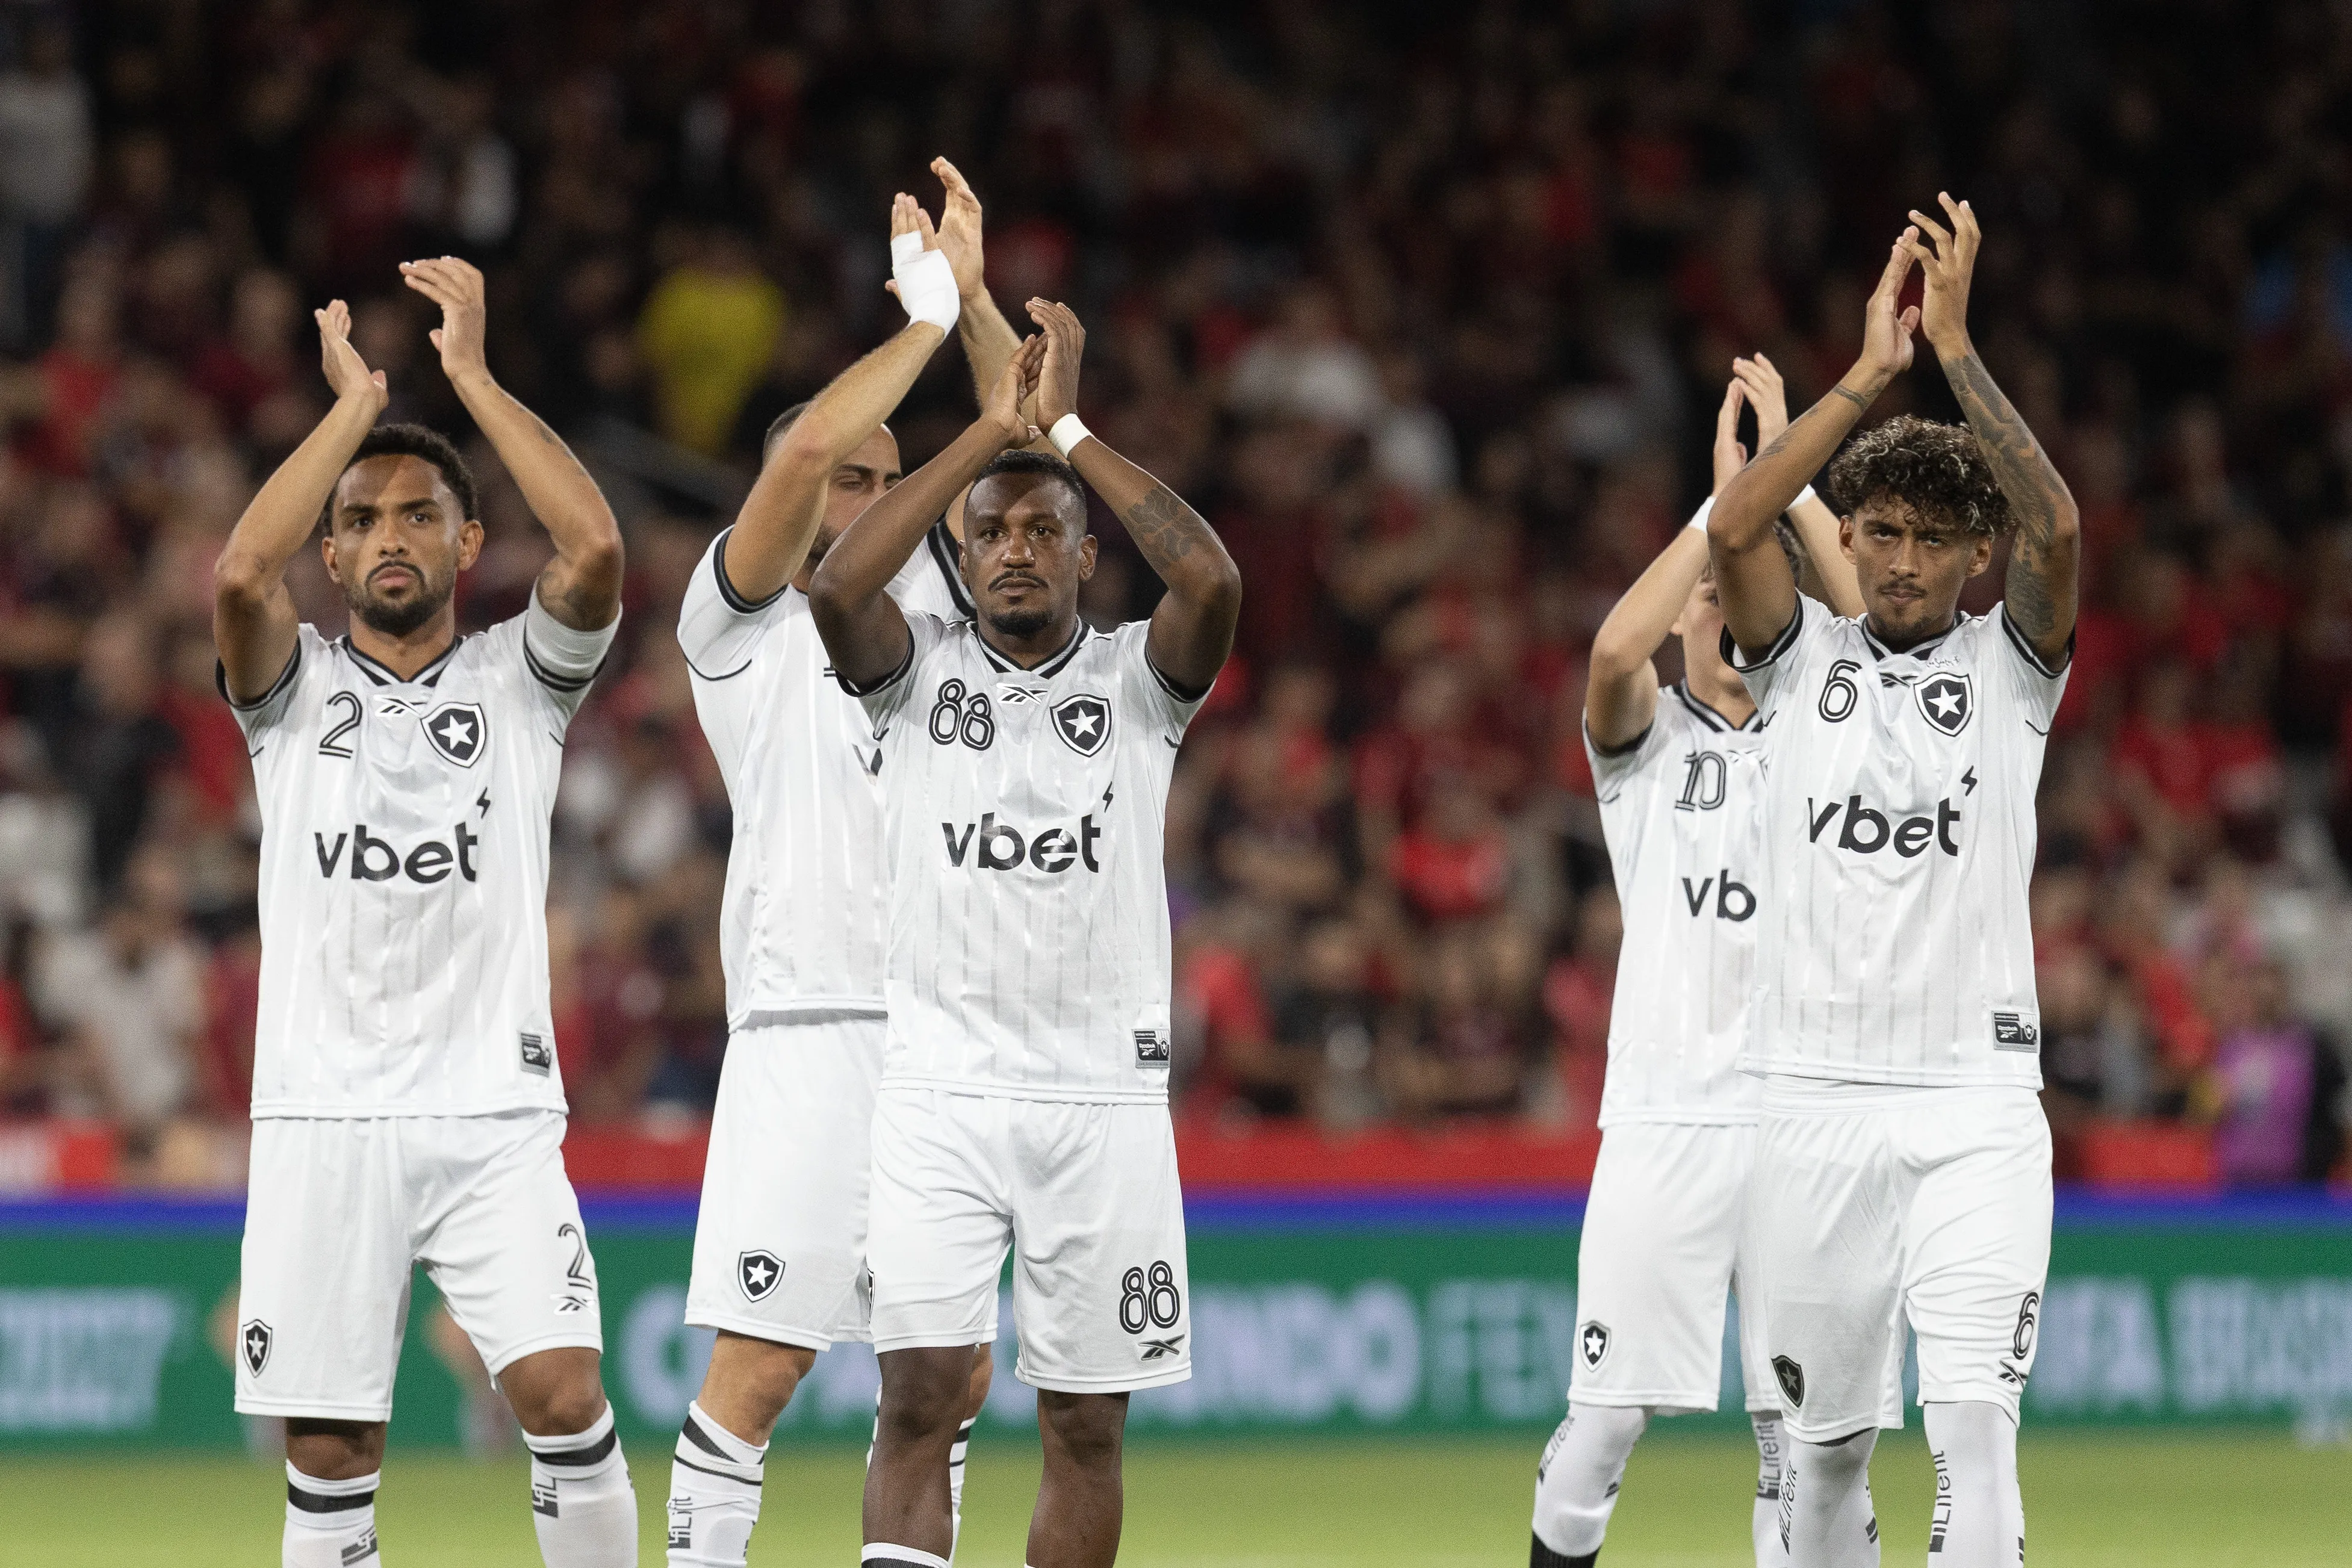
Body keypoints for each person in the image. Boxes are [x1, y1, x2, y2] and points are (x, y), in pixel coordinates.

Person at [213, 260, 633, 1568]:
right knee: (332, 1456)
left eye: (421, 515)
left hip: (491, 1113)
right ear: (330, 554)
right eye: (364, 520)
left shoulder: (523, 683)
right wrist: (352, 415)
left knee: (564, 1397)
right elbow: (237, 576)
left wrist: (474, 382)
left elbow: (601, 550)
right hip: (323, 1112)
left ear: (467, 546)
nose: (392, 534)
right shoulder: (290, 694)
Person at [809, 299, 1240, 1568]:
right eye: (987, 531)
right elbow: (838, 583)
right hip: (940, 1092)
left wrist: (1064, 431)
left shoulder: (1139, 686)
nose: (1012, 549)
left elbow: (1211, 578)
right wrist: (987, 437)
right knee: (919, 1399)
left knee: (1085, 1425)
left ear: (1084, 555)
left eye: (1041, 530)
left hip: (1104, 1101)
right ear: (959, 548)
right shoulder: (914, 673)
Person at [664, 160, 1029, 1568]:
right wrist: (928, 323)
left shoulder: (945, 612)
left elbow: (1035, 450)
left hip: (953, 1039)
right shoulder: (736, 617)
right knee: (760, 1372)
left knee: (945, 1386)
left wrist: (983, 301)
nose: (874, 494)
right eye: (854, 473)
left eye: (896, 478)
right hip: (810, 1031)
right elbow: (814, 452)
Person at [1707, 196, 2079, 1568]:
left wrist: (1959, 350)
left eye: (1934, 538)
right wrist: (1865, 376)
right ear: (1850, 542)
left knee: (1974, 1421)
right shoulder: (1799, 663)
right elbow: (1738, 530)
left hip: (1976, 1104)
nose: (1906, 559)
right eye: (1881, 533)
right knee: (1822, 1462)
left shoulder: (2011, 675)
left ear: (1971, 557)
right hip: (1805, 1101)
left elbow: (2059, 525)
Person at [1532, 356, 1872, 1568]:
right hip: (1668, 1120)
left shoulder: (1829, 739)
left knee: (1810, 1441)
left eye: (1744, 589)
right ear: (1685, 621)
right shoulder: (1647, 748)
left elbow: (1876, 631)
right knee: (1606, 1419)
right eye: (1704, 601)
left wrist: (1791, 488)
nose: (1722, 613)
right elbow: (1612, 656)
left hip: (1808, 1126)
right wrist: (1715, 513)